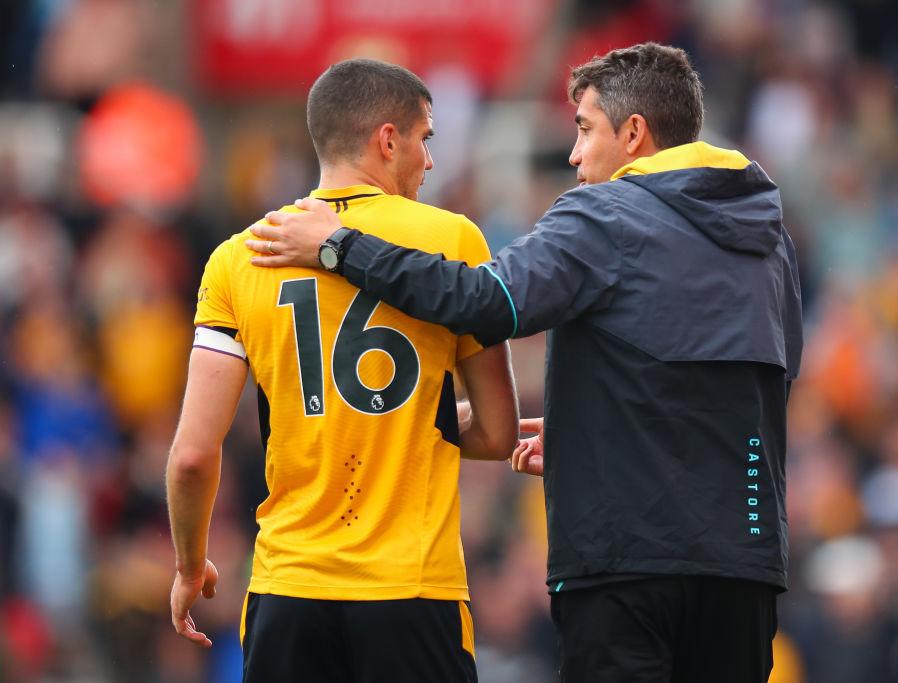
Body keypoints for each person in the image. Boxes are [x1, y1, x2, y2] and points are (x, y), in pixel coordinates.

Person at [248, 43, 803, 683]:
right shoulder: (769, 239)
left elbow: (485, 301)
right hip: (746, 563)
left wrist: (339, 247)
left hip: (624, 566)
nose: (573, 155)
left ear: (633, 134)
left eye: (584, 129)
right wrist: (594, 439)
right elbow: (757, 384)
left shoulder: (605, 215)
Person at [166, 59, 519, 683]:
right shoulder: (453, 240)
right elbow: (496, 432)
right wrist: (421, 422)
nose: (430, 161)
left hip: (289, 589)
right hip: (413, 593)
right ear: (389, 140)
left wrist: (189, 565)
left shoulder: (240, 257)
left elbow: (194, 454)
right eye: (426, 139)